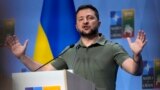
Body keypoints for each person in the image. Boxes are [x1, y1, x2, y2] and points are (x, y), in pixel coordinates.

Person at [5, 4, 147, 90]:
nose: (85, 21)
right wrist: (22, 57)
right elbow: (43, 71)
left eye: (90, 18)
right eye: (81, 19)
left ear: (98, 23)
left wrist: (137, 55)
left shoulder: (113, 48)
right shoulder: (69, 51)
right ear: (76, 26)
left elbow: (135, 70)